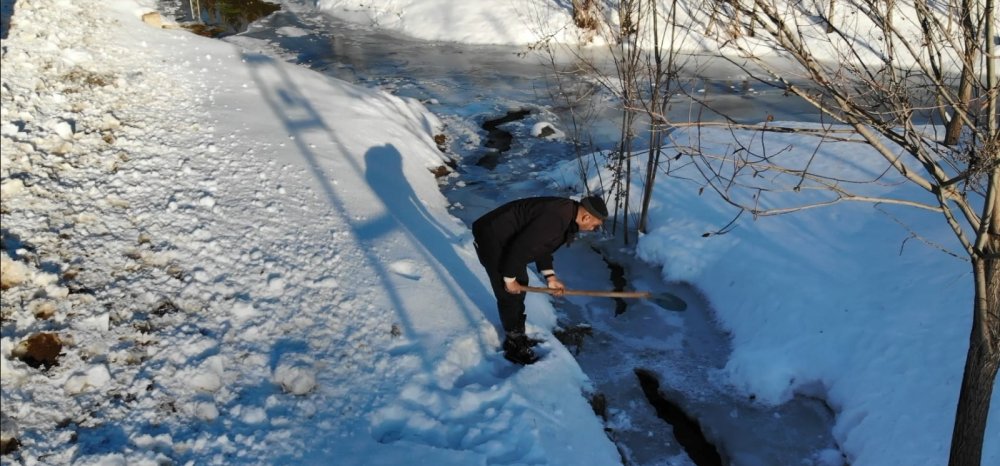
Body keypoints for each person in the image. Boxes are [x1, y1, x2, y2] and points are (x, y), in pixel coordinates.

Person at [472, 195, 608, 364]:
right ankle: (514, 344)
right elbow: (521, 247)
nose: (593, 229)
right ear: (586, 217)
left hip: (509, 240)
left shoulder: (567, 216)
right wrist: (508, 279)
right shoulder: (556, 218)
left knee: (519, 285)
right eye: (595, 226)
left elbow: (542, 245)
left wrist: (550, 276)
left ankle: (517, 334)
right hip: (492, 237)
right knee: (508, 293)